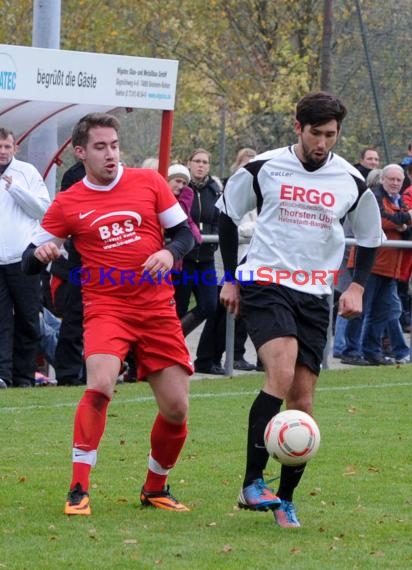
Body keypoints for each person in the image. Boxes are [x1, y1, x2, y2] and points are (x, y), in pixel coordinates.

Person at [217, 91, 383, 528]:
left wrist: (358, 288)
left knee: (303, 400)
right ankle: (253, 482)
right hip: (266, 282)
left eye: (331, 135)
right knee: (282, 372)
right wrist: (232, 277)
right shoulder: (263, 168)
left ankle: (284, 498)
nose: (323, 143)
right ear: (298, 128)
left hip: (316, 294)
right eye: (315, 134)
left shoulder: (351, 180)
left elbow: (369, 238)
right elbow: (227, 216)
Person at [22, 112, 195, 515]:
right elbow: (29, 258)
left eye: (114, 145)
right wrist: (42, 254)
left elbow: (186, 233)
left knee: (177, 408)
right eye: (100, 147)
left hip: (156, 308)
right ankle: (78, 489)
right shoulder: (68, 202)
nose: (111, 154)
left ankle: (155, 488)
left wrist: (170, 252)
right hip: (107, 308)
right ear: (81, 152)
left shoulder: (149, 182)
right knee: (99, 384)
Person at [345, 164, 412, 365]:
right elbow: (380, 220)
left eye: (398, 180)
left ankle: (371, 351)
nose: (394, 183)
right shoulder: (373, 196)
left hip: (390, 267)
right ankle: (350, 351)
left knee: (383, 312)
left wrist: (403, 223)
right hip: (369, 265)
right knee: (359, 309)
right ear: (382, 179)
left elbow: (407, 230)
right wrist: (405, 219)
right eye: (391, 179)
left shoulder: (399, 201)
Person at [0, 127, 51, 388]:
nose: (2, 151)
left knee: (28, 318)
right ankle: (3, 375)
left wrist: (16, 189)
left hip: (23, 259)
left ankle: (24, 376)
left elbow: (42, 209)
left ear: (15, 148)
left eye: (6, 146)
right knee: (1, 321)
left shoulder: (27, 173)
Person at [174, 148, 222, 336]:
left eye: (205, 162)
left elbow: (219, 217)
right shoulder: (182, 188)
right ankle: (172, 350)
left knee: (210, 305)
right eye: (197, 161)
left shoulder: (215, 190)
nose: (201, 165)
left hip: (206, 258)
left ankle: (174, 337)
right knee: (179, 306)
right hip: (185, 258)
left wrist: (214, 238)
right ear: (189, 163)